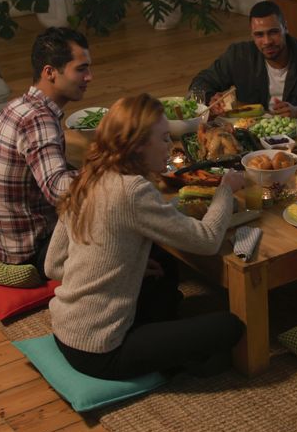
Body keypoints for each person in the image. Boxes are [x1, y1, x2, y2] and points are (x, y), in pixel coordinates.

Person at [46, 93, 246, 380]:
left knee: (161, 274)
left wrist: (120, 270)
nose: (170, 146)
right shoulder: (132, 191)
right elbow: (207, 240)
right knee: (230, 327)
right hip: (100, 350)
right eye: (164, 138)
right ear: (138, 145)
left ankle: (162, 341)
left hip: (65, 329)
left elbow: (53, 265)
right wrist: (226, 189)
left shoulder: (87, 176)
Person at [0, 27, 92, 276]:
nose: (89, 77)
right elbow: (57, 190)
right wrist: (107, 169)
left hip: (3, 239)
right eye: (81, 69)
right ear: (50, 72)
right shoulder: (38, 120)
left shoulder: (18, 106)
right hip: (30, 250)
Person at [190, 0, 297, 119]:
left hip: (296, 137)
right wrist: (211, 99)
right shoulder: (239, 55)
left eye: (273, 32)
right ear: (252, 35)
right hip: (250, 132)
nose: (267, 41)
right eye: (259, 35)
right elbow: (199, 83)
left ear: (285, 28)